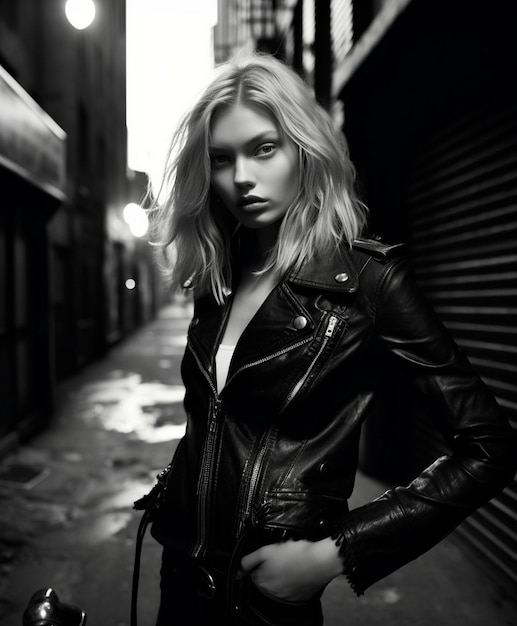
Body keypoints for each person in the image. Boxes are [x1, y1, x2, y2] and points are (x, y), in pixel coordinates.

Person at [141, 52, 517, 626]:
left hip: (265, 601)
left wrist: (333, 553)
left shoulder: (366, 281)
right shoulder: (216, 276)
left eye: (264, 148)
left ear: (304, 150)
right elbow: (217, 421)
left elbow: (488, 446)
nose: (242, 177)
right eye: (222, 159)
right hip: (180, 580)